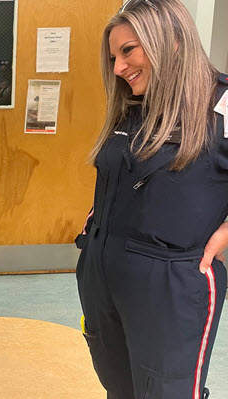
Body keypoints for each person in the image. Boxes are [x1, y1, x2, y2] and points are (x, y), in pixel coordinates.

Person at [75, 0, 228, 398]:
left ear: (172, 41)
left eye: (129, 51)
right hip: (103, 276)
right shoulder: (135, 106)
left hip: (170, 287)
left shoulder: (220, 104)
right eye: (113, 57)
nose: (118, 68)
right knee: (119, 387)